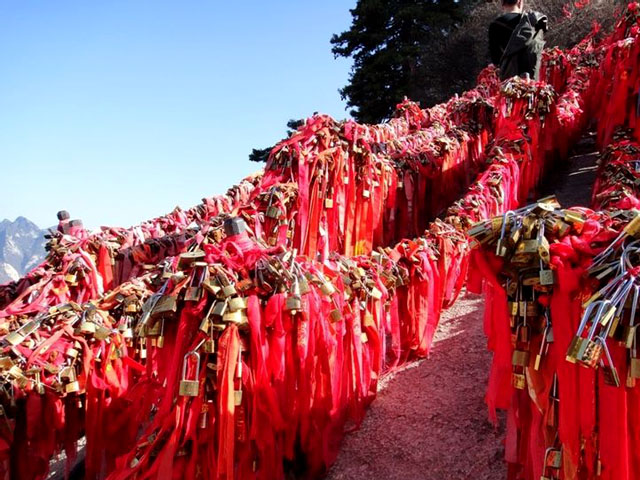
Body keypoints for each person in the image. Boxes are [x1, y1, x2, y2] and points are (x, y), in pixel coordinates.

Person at [489, 0, 548, 81]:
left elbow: (495, 59)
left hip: (509, 82)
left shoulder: (495, 26)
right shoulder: (534, 23)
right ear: (520, 2)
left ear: (502, 3)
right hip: (532, 80)